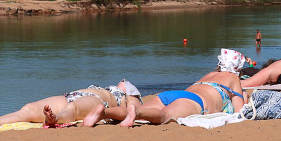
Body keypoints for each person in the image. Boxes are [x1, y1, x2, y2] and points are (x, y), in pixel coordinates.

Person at [103, 49, 250, 127]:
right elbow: (239, 111)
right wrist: (244, 95)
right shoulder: (233, 78)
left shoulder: (209, 75)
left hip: (176, 94)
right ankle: (138, 113)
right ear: (237, 68)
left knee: (139, 109)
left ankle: (104, 112)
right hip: (194, 101)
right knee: (163, 116)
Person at [0, 80, 143, 130]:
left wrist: (132, 101)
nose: (121, 81)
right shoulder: (107, 86)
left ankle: (54, 120)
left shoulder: (129, 93)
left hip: (97, 102)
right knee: (30, 108)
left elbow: (133, 108)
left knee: (72, 110)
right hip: (71, 95)